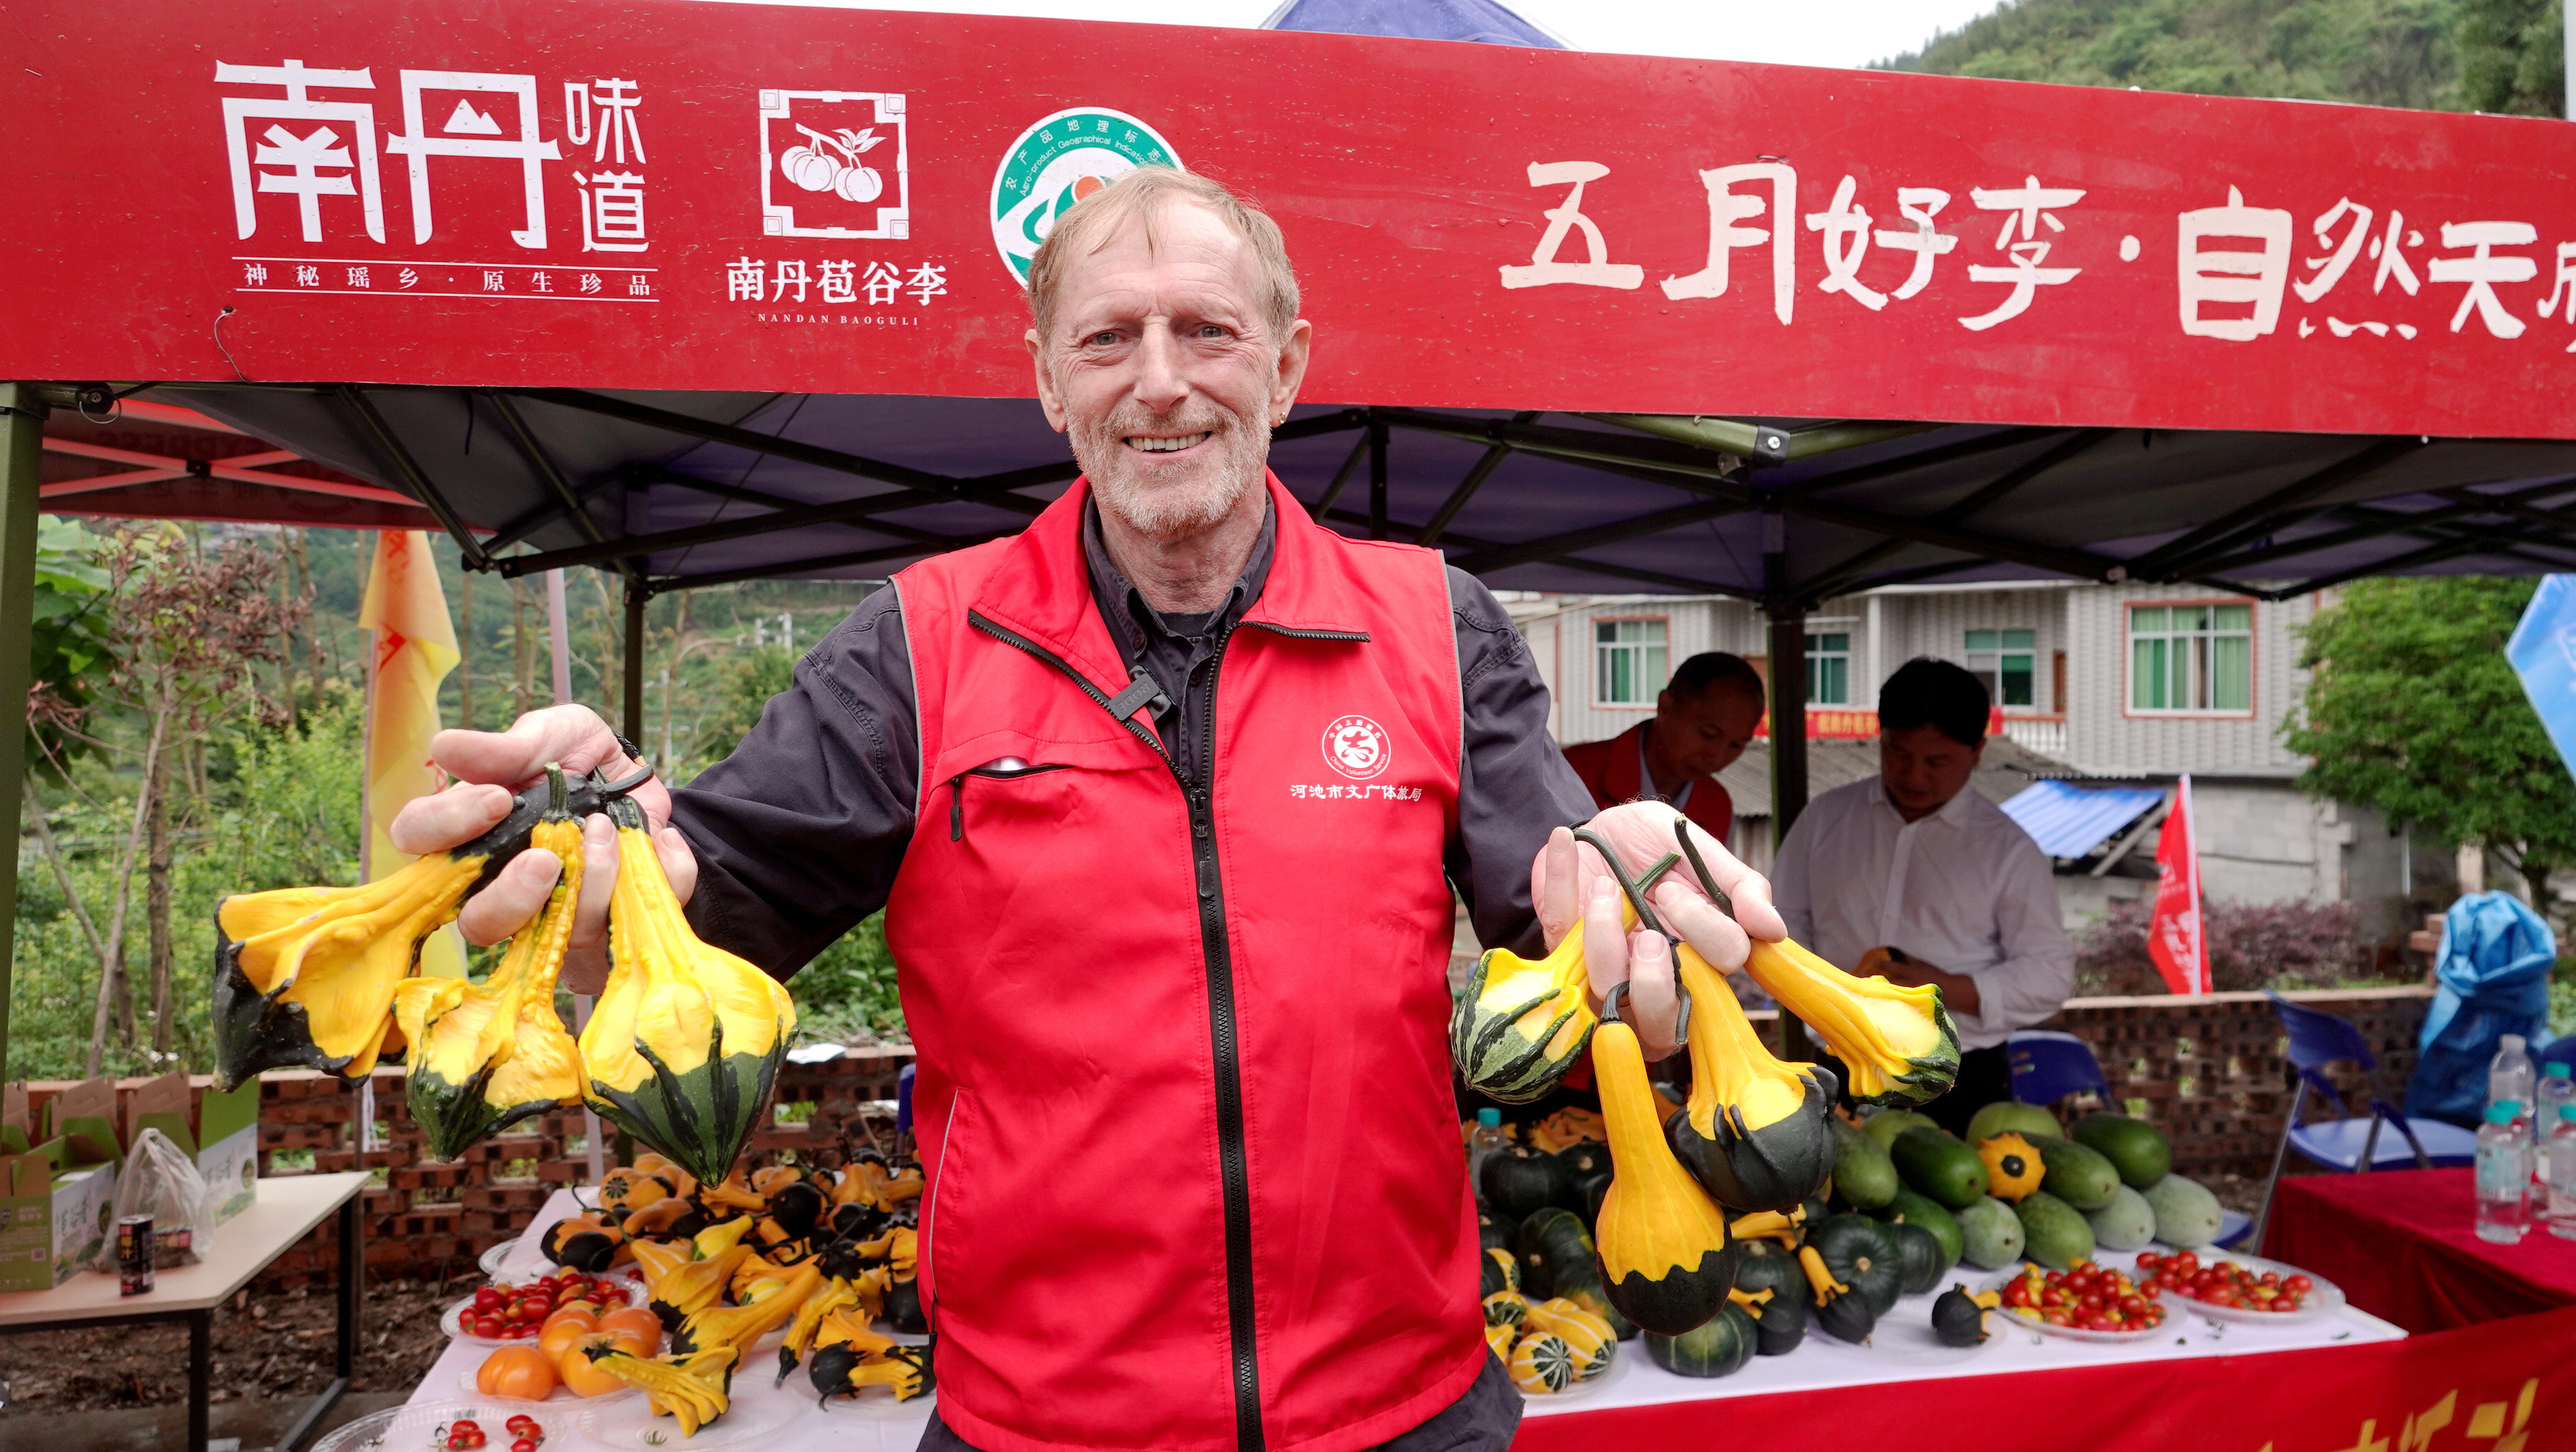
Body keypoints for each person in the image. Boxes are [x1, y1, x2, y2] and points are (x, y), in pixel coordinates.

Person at [390, 167, 1780, 1452]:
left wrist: (1622, 899)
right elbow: (711, 916)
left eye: (1207, 331)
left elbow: (1553, 903)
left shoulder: (1433, 623)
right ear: (1050, 381)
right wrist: (607, 862)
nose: (1159, 382)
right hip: (1044, 1415)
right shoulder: (917, 647)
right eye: (1109, 339)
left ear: (1287, 366)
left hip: (1399, 1402)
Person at [1770, 657, 2075, 1136]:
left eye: (1937, 761)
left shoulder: (2008, 850)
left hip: (1960, 1080)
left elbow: (2049, 975)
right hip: (1841, 1059)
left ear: (1977, 752)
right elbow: (1782, 925)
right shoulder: (1826, 819)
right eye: (1897, 753)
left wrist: (1941, 988)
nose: (1913, 775)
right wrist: (1830, 992)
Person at [1559, 652, 1766, 844]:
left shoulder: (1717, 805)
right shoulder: (1573, 774)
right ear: (1666, 706)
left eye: (1737, 745)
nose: (1718, 758)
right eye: (1708, 734)